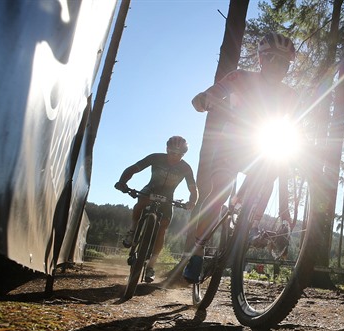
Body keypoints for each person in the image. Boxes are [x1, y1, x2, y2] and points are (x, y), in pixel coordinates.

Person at [182, 32, 298, 283]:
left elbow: (300, 123)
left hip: (262, 145)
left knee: (273, 167)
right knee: (219, 193)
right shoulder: (240, 77)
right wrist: (204, 98)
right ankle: (197, 252)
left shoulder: (290, 95)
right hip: (232, 144)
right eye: (271, 59)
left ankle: (252, 224)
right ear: (260, 59)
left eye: (284, 63)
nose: (277, 66)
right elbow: (213, 92)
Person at [115, 136, 197, 283]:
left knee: (163, 228)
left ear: (184, 155)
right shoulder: (155, 157)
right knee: (141, 202)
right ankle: (132, 231)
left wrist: (192, 201)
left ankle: (151, 266)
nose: (175, 157)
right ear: (167, 149)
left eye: (179, 155)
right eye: (172, 152)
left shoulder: (185, 168)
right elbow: (134, 168)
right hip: (150, 189)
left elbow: (193, 188)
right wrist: (122, 182)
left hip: (168, 196)